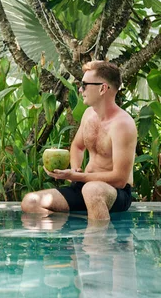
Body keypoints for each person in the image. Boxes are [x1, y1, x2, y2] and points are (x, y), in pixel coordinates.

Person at [21, 61, 137, 220]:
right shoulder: (89, 114)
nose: (80, 90)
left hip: (114, 192)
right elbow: (77, 146)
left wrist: (77, 177)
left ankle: (99, 242)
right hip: (84, 186)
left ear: (103, 88)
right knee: (31, 202)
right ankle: (76, 230)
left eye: (84, 85)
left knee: (92, 190)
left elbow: (120, 180)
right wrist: (75, 169)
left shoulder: (123, 125)